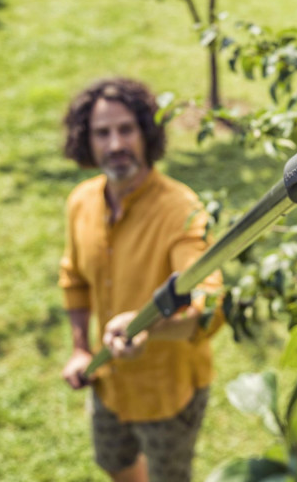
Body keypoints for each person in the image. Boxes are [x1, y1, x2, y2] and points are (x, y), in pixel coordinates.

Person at [58, 77, 223, 482]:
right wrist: (81, 349)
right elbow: (74, 279)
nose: (115, 144)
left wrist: (150, 328)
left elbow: (208, 307)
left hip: (167, 393)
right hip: (108, 379)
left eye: (126, 129)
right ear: (87, 140)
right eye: (102, 133)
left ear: (147, 134)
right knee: (114, 463)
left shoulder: (182, 210)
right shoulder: (80, 202)